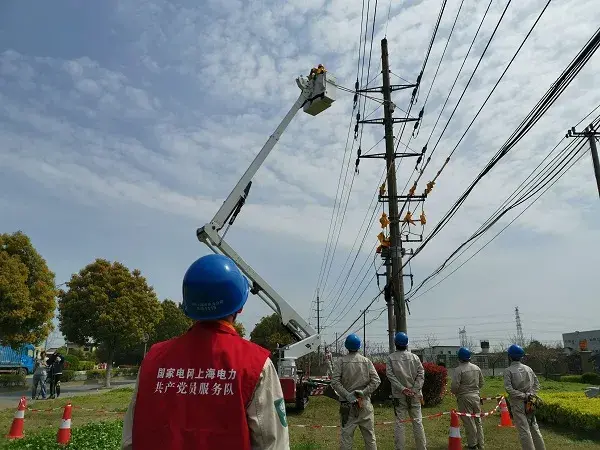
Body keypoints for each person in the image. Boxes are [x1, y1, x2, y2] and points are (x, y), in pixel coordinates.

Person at [121, 254, 290, 450]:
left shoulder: (153, 359)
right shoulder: (256, 364)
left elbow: (130, 439)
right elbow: (273, 444)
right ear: (240, 307)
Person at [330, 334, 380, 450]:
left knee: (346, 438)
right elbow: (376, 381)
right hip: (364, 404)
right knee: (370, 438)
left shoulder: (341, 362)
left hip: (347, 406)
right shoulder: (366, 361)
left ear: (346, 346)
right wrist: (364, 392)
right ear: (359, 346)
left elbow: (335, 382)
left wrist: (347, 395)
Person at [386, 332, 427, 450]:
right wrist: (414, 390)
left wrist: (402, 389)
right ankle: (422, 448)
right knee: (418, 422)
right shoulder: (415, 357)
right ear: (407, 343)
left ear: (395, 344)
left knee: (400, 423)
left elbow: (390, 376)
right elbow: (421, 374)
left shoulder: (391, 358)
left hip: (399, 396)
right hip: (415, 395)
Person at [504, 344, 546, 450]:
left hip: (518, 403)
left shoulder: (508, 371)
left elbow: (509, 389)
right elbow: (537, 384)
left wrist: (523, 395)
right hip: (530, 402)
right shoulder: (528, 369)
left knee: (524, 430)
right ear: (521, 356)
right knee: (534, 426)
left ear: (509, 356)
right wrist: (531, 395)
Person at [451, 347, 484, 449]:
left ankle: (472, 444)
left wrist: (455, 392)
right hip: (476, 396)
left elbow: (455, 386)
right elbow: (482, 383)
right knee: (478, 421)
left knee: (469, 422)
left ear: (459, 358)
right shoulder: (477, 368)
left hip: (464, 397)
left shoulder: (458, 370)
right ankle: (481, 443)